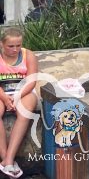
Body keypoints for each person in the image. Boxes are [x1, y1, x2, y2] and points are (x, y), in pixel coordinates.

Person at [0, 28, 37, 178]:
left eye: (18, 45)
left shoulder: (28, 55)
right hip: (2, 92)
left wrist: (16, 97)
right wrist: (4, 98)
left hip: (24, 91)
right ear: (2, 44)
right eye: (11, 46)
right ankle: (6, 160)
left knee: (24, 112)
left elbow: (32, 80)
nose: (15, 49)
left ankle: (8, 160)